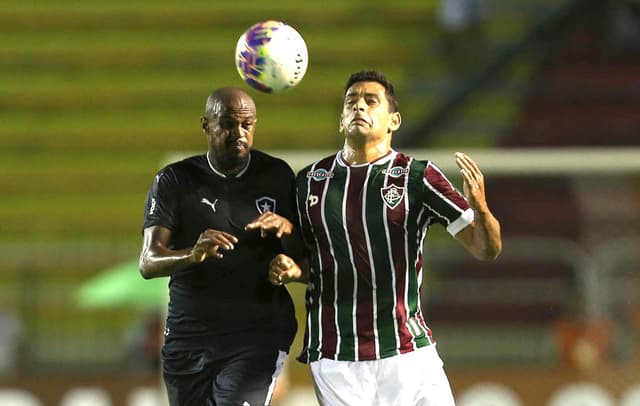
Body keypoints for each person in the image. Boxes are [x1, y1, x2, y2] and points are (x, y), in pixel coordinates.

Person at [269, 70, 502, 405]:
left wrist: (479, 207)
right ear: (341, 120)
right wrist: (293, 269)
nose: (359, 107)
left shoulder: (418, 177)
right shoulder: (310, 182)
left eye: (370, 101)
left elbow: (486, 249)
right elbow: (315, 262)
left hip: (407, 351)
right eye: (351, 102)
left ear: (394, 120)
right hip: (337, 357)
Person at [139, 87, 301, 406]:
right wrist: (193, 253)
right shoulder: (175, 180)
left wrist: (289, 230)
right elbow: (148, 261)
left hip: (255, 339)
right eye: (227, 124)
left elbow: (307, 257)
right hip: (188, 341)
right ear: (206, 125)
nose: (238, 133)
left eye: (247, 125)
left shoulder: (277, 176)